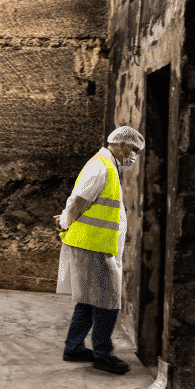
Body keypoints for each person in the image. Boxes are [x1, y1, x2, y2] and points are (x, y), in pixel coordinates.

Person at [54, 126, 145, 374]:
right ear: (121, 144)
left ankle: (73, 348)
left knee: (88, 299)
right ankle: (103, 354)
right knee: (109, 301)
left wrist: (66, 218)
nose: (134, 156)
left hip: (94, 243)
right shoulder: (101, 166)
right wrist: (64, 220)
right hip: (92, 244)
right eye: (134, 150)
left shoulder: (107, 165)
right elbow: (79, 202)